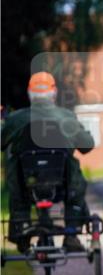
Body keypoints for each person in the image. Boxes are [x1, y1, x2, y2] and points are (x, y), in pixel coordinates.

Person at [1, 72, 94, 252]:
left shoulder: (17, 119)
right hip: (63, 184)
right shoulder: (66, 116)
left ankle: (20, 231)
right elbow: (87, 146)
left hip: (26, 184)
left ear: (30, 93)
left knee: (15, 166)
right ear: (54, 93)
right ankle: (71, 233)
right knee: (74, 175)